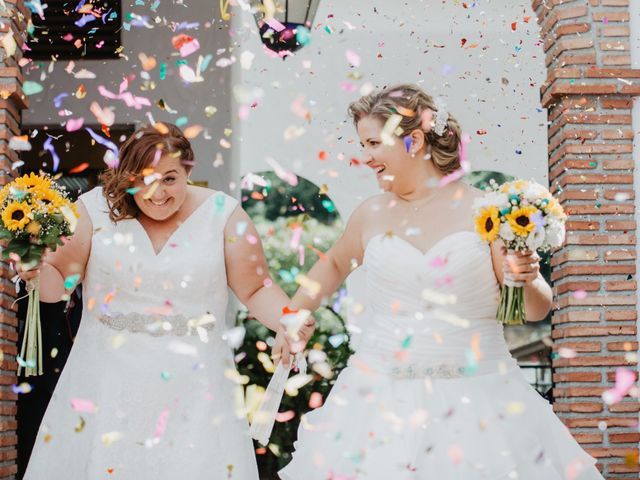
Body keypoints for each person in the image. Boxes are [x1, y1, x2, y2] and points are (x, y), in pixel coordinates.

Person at [278, 85, 603, 479]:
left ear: (413, 140)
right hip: (378, 402)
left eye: (373, 144)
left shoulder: (486, 212)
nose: (366, 158)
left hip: (480, 399)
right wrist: (294, 315)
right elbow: (330, 267)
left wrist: (529, 277)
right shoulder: (371, 214)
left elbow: (533, 309)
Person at [17, 122, 312, 479]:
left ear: (188, 169)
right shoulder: (93, 209)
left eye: (170, 178)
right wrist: (34, 268)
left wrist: (286, 318)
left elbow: (255, 288)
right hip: (106, 379)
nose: (157, 193)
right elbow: (58, 288)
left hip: (194, 382)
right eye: (144, 179)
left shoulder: (222, 214)